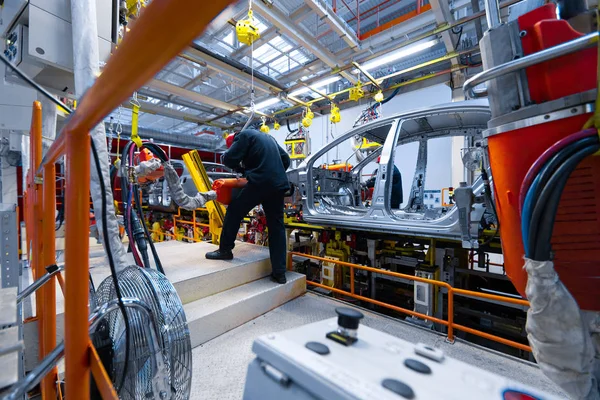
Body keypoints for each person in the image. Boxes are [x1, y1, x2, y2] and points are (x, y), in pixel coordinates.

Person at [205, 129, 291, 284]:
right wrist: (271, 173)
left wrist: (239, 166)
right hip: (278, 184)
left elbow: (230, 159)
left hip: (259, 182)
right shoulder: (268, 138)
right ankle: (279, 273)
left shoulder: (243, 136)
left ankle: (225, 250)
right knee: (276, 227)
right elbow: (286, 159)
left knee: (234, 210)